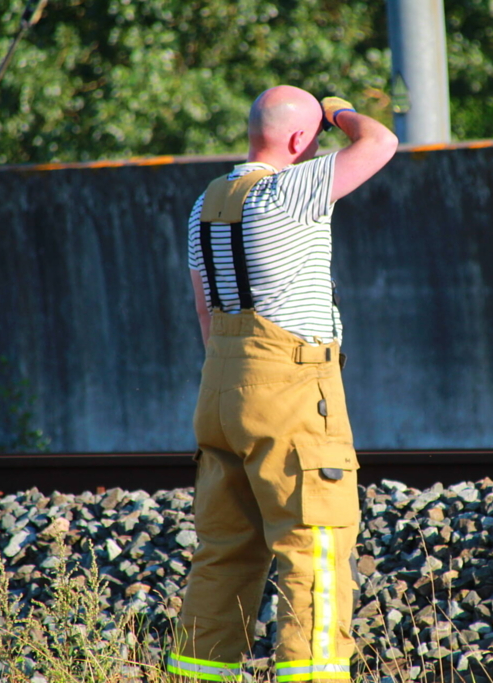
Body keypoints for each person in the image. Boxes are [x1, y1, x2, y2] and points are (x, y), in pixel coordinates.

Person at [168, 85, 397, 683]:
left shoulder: (206, 204)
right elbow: (380, 142)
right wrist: (340, 107)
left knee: (224, 552)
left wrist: (236, 374)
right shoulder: (291, 190)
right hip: (292, 389)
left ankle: (197, 674)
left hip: (221, 383)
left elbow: (203, 313)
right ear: (301, 140)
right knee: (313, 547)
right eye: (316, 136)